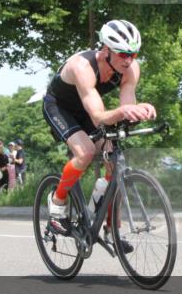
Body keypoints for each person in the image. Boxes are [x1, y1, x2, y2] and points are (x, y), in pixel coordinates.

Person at [41, 20, 156, 252]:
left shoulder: (131, 69)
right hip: (60, 107)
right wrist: (122, 112)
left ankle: (111, 227)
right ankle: (57, 204)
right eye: (123, 54)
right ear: (105, 50)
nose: (129, 60)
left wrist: (138, 111)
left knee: (116, 162)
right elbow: (97, 115)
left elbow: (125, 109)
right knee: (86, 152)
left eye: (133, 54)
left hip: (87, 109)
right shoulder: (82, 66)